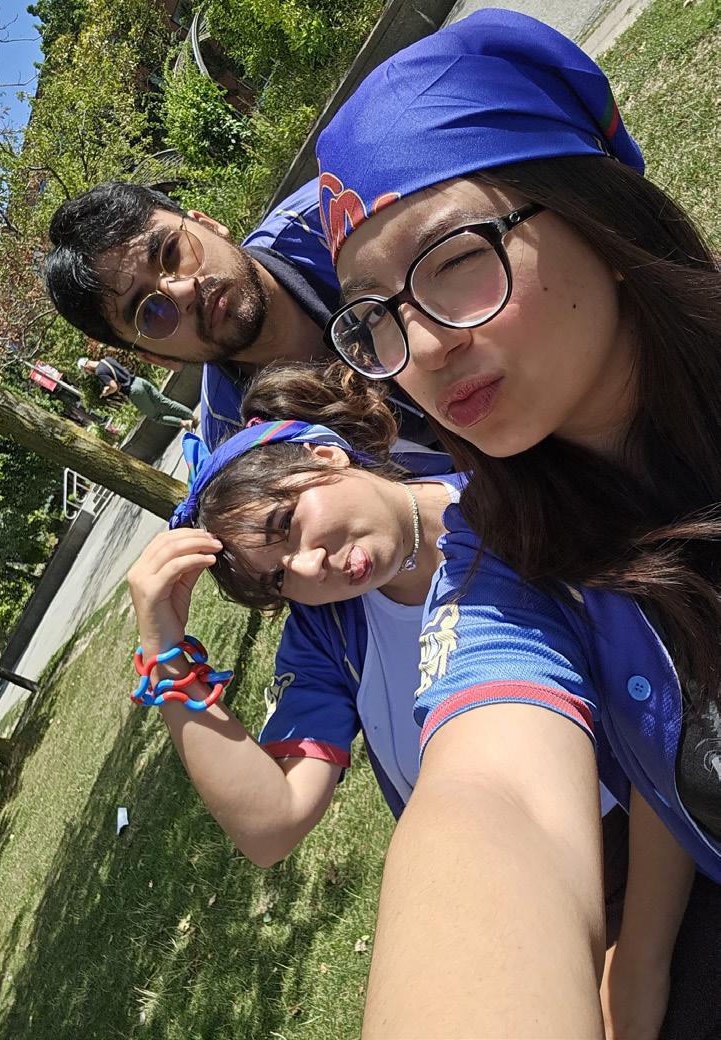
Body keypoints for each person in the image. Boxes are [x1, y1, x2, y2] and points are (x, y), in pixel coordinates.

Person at [314, 8, 721, 1039]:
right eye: (373, 318)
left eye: (452, 258)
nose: (420, 350)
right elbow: (497, 800)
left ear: (598, 220)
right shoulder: (504, 559)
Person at [126, 360, 466, 862]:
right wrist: (165, 655)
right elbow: (273, 827)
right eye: (278, 579)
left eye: (286, 524)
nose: (309, 569)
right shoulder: (329, 632)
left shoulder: (517, 491)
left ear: (327, 455)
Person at [45, 180, 445, 469]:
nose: (182, 291)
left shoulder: (344, 217)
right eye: (150, 313)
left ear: (209, 224)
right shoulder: (243, 444)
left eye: (171, 253)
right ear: (157, 358)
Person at [76, 355, 196, 430]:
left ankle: (185, 423)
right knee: (165, 402)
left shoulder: (99, 372)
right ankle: (191, 416)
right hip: (139, 381)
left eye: (87, 372)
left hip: (135, 391)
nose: (89, 373)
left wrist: (106, 392)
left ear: (86, 367)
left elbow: (113, 386)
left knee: (156, 416)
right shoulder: (107, 359)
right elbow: (118, 375)